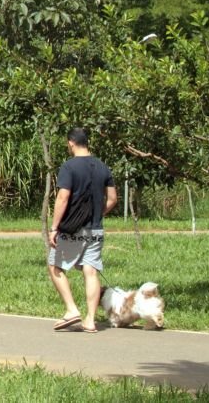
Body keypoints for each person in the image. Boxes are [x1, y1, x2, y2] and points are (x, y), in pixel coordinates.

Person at [48, 127, 117, 333]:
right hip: (96, 229)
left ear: (71, 143)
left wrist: (54, 228)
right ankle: (90, 320)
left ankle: (71, 310)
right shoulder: (103, 167)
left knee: (55, 266)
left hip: (72, 229)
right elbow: (113, 199)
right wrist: (98, 214)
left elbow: (62, 197)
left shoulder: (69, 167)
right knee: (91, 271)